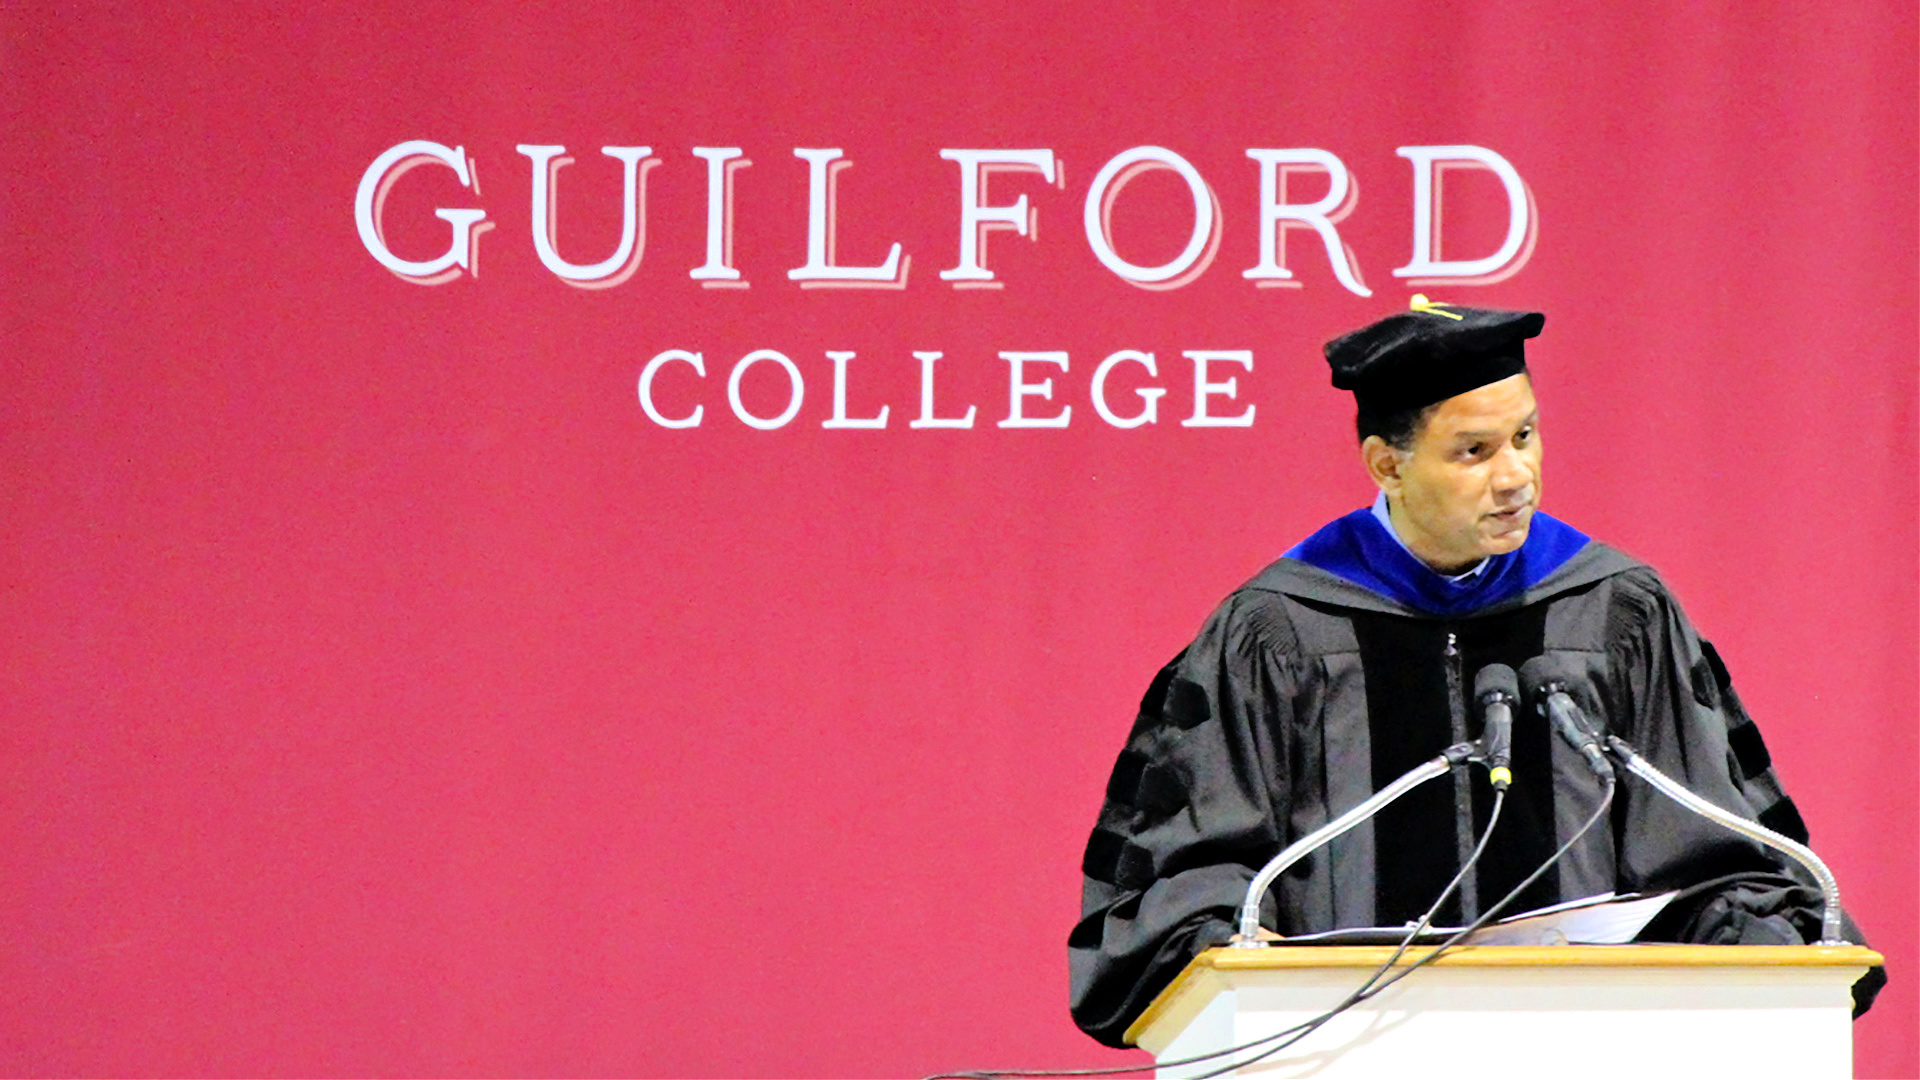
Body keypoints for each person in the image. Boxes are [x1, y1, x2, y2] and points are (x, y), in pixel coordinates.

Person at [1066, 298, 1884, 1048]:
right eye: (1474, 451)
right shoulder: (1279, 630)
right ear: (1387, 466)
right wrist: (1235, 959)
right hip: (1347, 1045)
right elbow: (1197, 869)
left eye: (1525, 436)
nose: (1515, 476)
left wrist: (1766, 947)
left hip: (1590, 1044)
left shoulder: (1613, 609)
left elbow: (1715, 850)